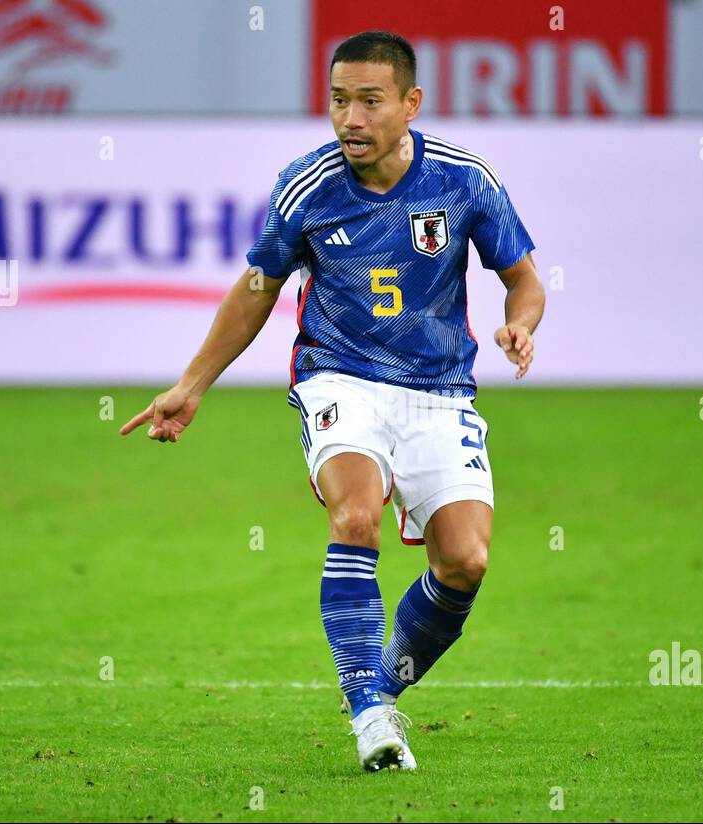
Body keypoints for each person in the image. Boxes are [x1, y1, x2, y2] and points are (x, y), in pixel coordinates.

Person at [120, 30, 546, 772]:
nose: (350, 117)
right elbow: (258, 289)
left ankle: (380, 687)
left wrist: (521, 323)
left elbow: (525, 278)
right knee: (355, 514)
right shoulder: (307, 186)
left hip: (440, 391)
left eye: (370, 101)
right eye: (339, 100)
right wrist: (191, 386)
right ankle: (370, 715)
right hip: (339, 377)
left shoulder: (464, 180)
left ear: (411, 104)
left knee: (466, 561)